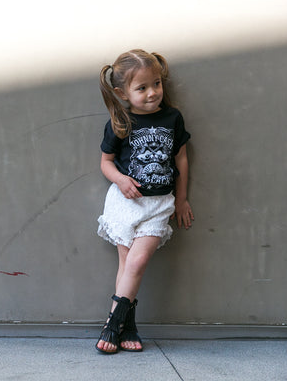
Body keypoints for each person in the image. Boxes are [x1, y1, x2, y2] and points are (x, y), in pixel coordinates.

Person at [95, 49, 194, 354]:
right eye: (142, 88)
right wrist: (121, 179)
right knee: (127, 266)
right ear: (121, 92)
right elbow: (106, 162)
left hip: (159, 204)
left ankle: (112, 325)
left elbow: (181, 158)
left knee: (136, 262)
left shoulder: (172, 117)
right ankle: (130, 327)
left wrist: (181, 200)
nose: (152, 93)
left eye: (156, 84)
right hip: (126, 203)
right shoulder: (120, 121)